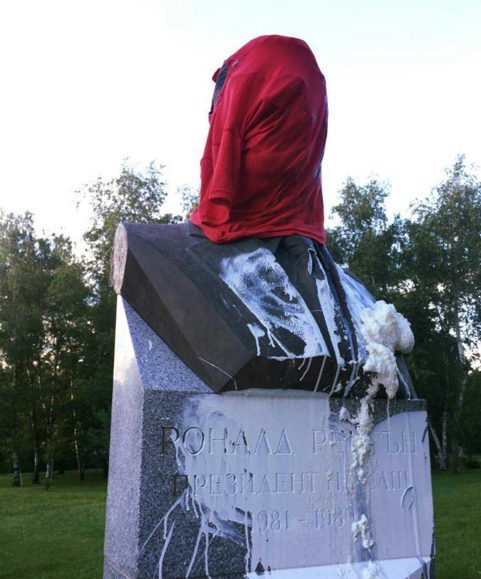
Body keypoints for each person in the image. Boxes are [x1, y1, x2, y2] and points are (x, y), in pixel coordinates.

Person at [113, 35, 412, 397]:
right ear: (234, 125)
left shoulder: (366, 309)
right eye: (271, 118)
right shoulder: (152, 251)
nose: (289, 142)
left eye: (302, 119)